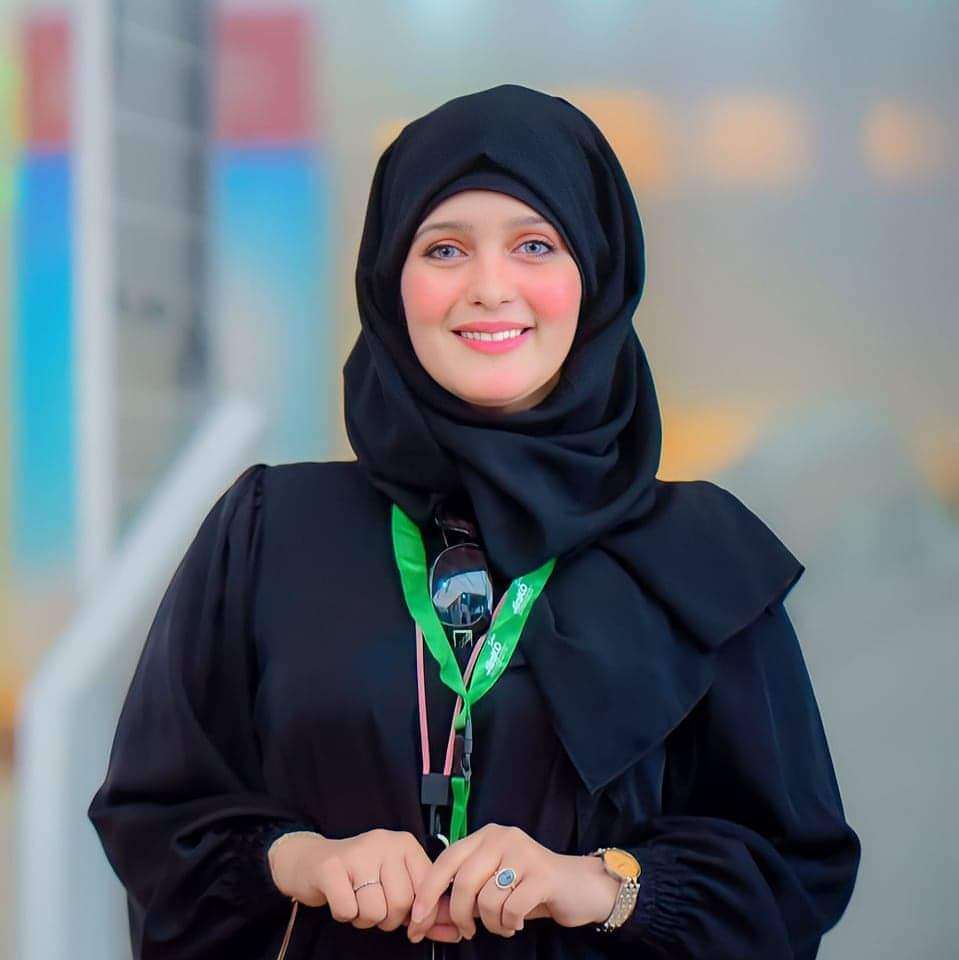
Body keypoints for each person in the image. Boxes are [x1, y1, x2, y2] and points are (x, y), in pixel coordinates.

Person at [88, 83, 861, 959]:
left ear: (597, 274)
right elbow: (157, 817)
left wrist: (593, 883)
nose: (489, 288)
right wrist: (303, 859)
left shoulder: (699, 558)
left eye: (534, 244)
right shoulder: (269, 530)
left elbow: (790, 875)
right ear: (390, 280)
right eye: (445, 248)